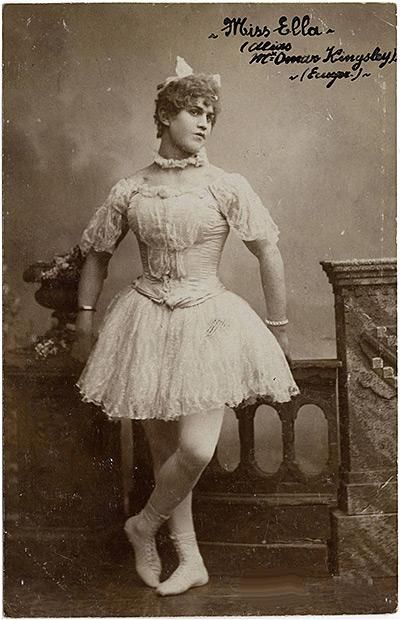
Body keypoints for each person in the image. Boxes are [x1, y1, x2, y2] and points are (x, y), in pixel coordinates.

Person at [72, 57, 299, 597]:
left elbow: (268, 251)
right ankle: (188, 559)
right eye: (193, 112)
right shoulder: (131, 189)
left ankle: (142, 525)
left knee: (196, 449)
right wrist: (84, 319)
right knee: (164, 451)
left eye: (209, 116)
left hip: (208, 319)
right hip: (145, 319)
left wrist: (279, 326)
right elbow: (97, 255)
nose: (203, 123)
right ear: (164, 116)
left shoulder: (225, 185)